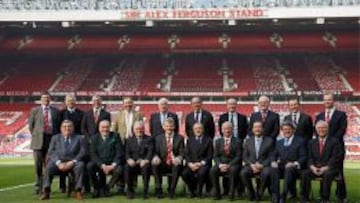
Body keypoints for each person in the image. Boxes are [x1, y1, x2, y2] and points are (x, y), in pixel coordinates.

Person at [40, 120, 86, 200]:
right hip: (58, 163)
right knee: (49, 167)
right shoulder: (55, 138)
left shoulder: (79, 138)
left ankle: (78, 191)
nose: (67, 128)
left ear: (73, 128)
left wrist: (72, 162)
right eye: (64, 126)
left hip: (73, 162)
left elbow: (83, 152)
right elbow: (51, 152)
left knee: (80, 165)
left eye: (69, 126)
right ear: (61, 128)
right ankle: (46, 191)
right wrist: (58, 163)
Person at [315, 93, 347, 202]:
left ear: (333, 101)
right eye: (325, 100)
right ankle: (323, 194)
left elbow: (342, 130)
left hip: (337, 147)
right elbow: (317, 132)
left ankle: (341, 195)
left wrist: (330, 142)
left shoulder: (341, 114)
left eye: (329, 100)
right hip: (322, 148)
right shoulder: (319, 116)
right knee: (322, 170)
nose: (327, 102)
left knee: (339, 172)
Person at [300, 121, 342, 203]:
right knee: (304, 174)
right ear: (316, 129)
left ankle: (324, 198)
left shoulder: (335, 141)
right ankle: (304, 198)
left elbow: (336, 157)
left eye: (323, 127)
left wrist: (326, 168)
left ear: (328, 129)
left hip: (330, 168)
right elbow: (309, 157)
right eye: (319, 128)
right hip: (315, 167)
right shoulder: (311, 142)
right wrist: (312, 167)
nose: (321, 130)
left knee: (327, 174)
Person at [28, 93, 60, 195]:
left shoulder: (55, 111)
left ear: (50, 99)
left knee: (49, 165)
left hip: (51, 140)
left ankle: (46, 187)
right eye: (44, 98)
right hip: (38, 141)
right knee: (38, 166)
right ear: (41, 99)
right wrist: (37, 135)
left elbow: (58, 126)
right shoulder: (35, 110)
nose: (46, 99)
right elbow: (31, 126)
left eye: (47, 98)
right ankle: (38, 187)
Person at [270, 121, 307, 203]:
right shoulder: (279, 142)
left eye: (289, 129)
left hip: (295, 168)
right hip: (282, 166)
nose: (286, 131)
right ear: (282, 131)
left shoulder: (300, 141)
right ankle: (275, 195)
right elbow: (273, 155)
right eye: (284, 129)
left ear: (293, 130)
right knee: (273, 169)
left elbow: (303, 157)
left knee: (289, 169)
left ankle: (284, 195)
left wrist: (294, 163)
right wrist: (273, 161)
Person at [81, 95, 110, 192]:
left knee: (101, 163)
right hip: (88, 144)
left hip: (100, 143)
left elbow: (107, 128)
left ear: (101, 102)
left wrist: (98, 139)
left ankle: (101, 186)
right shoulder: (87, 113)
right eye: (95, 100)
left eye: (98, 100)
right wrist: (90, 139)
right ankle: (89, 187)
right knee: (88, 166)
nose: (96, 102)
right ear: (92, 102)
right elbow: (83, 128)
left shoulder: (106, 114)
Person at [87, 120, 124, 198]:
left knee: (119, 169)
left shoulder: (116, 136)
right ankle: (97, 189)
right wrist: (102, 165)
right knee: (90, 166)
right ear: (99, 128)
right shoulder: (94, 138)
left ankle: (107, 188)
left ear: (110, 127)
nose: (105, 129)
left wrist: (113, 165)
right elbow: (93, 154)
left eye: (107, 127)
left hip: (112, 162)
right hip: (99, 163)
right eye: (103, 127)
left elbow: (119, 152)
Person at [152, 118, 184, 199]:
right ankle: (158, 189)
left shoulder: (180, 138)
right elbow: (155, 151)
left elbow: (182, 152)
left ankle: (172, 190)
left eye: (171, 126)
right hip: (162, 162)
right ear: (163, 127)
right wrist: (156, 157)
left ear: (174, 127)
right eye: (167, 126)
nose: (169, 128)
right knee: (154, 165)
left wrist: (179, 158)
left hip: (174, 162)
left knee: (177, 166)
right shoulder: (158, 138)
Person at [241, 121, 274, 201]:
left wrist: (262, 165)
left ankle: (259, 194)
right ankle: (251, 193)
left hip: (264, 165)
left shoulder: (269, 141)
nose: (257, 129)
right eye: (255, 127)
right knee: (243, 173)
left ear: (262, 129)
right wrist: (251, 165)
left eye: (259, 127)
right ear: (252, 129)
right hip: (251, 165)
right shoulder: (248, 141)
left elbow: (271, 156)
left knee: (266, 173)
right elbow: (245, 156)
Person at [210, 122, 242, 201]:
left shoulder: (238, 141)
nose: (227, 131)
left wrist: (229, 165)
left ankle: (231, 193)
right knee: (213, 170)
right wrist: (220, 165)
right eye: (225, 129)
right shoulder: (218, 141)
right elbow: (216, 156)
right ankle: (217, 193)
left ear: (232, 130)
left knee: (233, 170)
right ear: (221, 130)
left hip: (233, 164)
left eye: (229, 128)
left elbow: (238, 156)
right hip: (221, 164)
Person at [59, 94, 84, 193]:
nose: (71, 102)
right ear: (65, 102)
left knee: (75, 163)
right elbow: (58, 128)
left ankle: (75, 186)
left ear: (75, 102)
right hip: (64, 141)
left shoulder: (81, 113)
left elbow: (82, 128)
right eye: (69, 100)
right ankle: (62, 186)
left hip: (77, 142)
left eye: (73, 100)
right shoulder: (61, 113)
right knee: (63, 162)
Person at [182, 123, 213, 198]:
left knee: (201, 173)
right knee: (184, 173)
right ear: (193, 130)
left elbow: (210, 155)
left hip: (203, 164)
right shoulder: (189, 140)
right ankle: (192, 191)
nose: (198, 130)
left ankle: (199, 191)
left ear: (203, 130)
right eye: (196, 129)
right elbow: (187, 154)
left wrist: (200, 164)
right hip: (191, 164)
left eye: (200, 128)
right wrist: (190, 164)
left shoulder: (208, 140)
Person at [125, 121, 153, 199]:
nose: (139, 130)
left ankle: (145, 191)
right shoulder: (129, 140)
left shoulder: (149, 139)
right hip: (133, 162)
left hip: (144, 162)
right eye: (137, 129)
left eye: (141, 129)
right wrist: (129, 159)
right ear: (133, 130)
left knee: (146, 168)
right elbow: (127, 153)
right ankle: (130, 191)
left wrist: (146, 160)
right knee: (127, 167)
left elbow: (150, 151)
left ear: (144, 129)